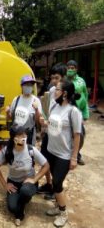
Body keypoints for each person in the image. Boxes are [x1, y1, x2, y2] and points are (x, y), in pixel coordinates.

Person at [40, 78, 82, 227]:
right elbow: (52, 126)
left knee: (57, 183)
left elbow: (77, 135)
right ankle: (58, 207)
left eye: (57, 89)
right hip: (51, 151)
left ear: (64, 93)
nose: (54, 91)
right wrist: (44, 123)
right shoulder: (54, 108)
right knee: (54, 179)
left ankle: (63, 212)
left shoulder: (73, 111)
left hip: (64, 155)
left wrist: (74, 157)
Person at [0, 126, 49, 226]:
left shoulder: (31, 150)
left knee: (25, 191)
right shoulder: (7, 151)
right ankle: (19, 202)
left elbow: (46, 165)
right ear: (13, 138)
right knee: (12, 208)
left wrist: (35, 179)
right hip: (13, 182)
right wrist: (5, 185)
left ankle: (20, 211)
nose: (22, 138)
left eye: (24, 135)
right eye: (19, 135)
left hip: (29, 182)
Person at [38, 63, 67, 197]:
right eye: (52, 78)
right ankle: (49, 185)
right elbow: (47, 110)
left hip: (59, 137)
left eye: (57, 78)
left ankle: (56, 190)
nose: (54, 81)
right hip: (49, 134)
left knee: (56, 165)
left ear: (63, 78)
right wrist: (44, 124)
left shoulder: (67, 96)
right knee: (45, 160)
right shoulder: (50, 92)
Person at [6, 75, 42, 146]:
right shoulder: (16, 99)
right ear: (22, 86)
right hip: (16, 133)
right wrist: (7, 112)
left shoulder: (36, 100)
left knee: (28, 154)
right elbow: (11, 117)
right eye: (26, 84)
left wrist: (36, 110)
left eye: (30, 85)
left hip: (29, 134)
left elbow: (38, 121)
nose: (29, 86)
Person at [66, 60, 89, 165]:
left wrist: (85, 115)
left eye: (73, 68)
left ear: (76, 69)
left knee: (80, 135)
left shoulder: (81, 81)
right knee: (66, 134)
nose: (70, 69)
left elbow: (85, 97)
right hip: (66, 112)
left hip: (78, 113)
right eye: (69, 67)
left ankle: (77, 154)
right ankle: (66, 155)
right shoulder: (63, 80)